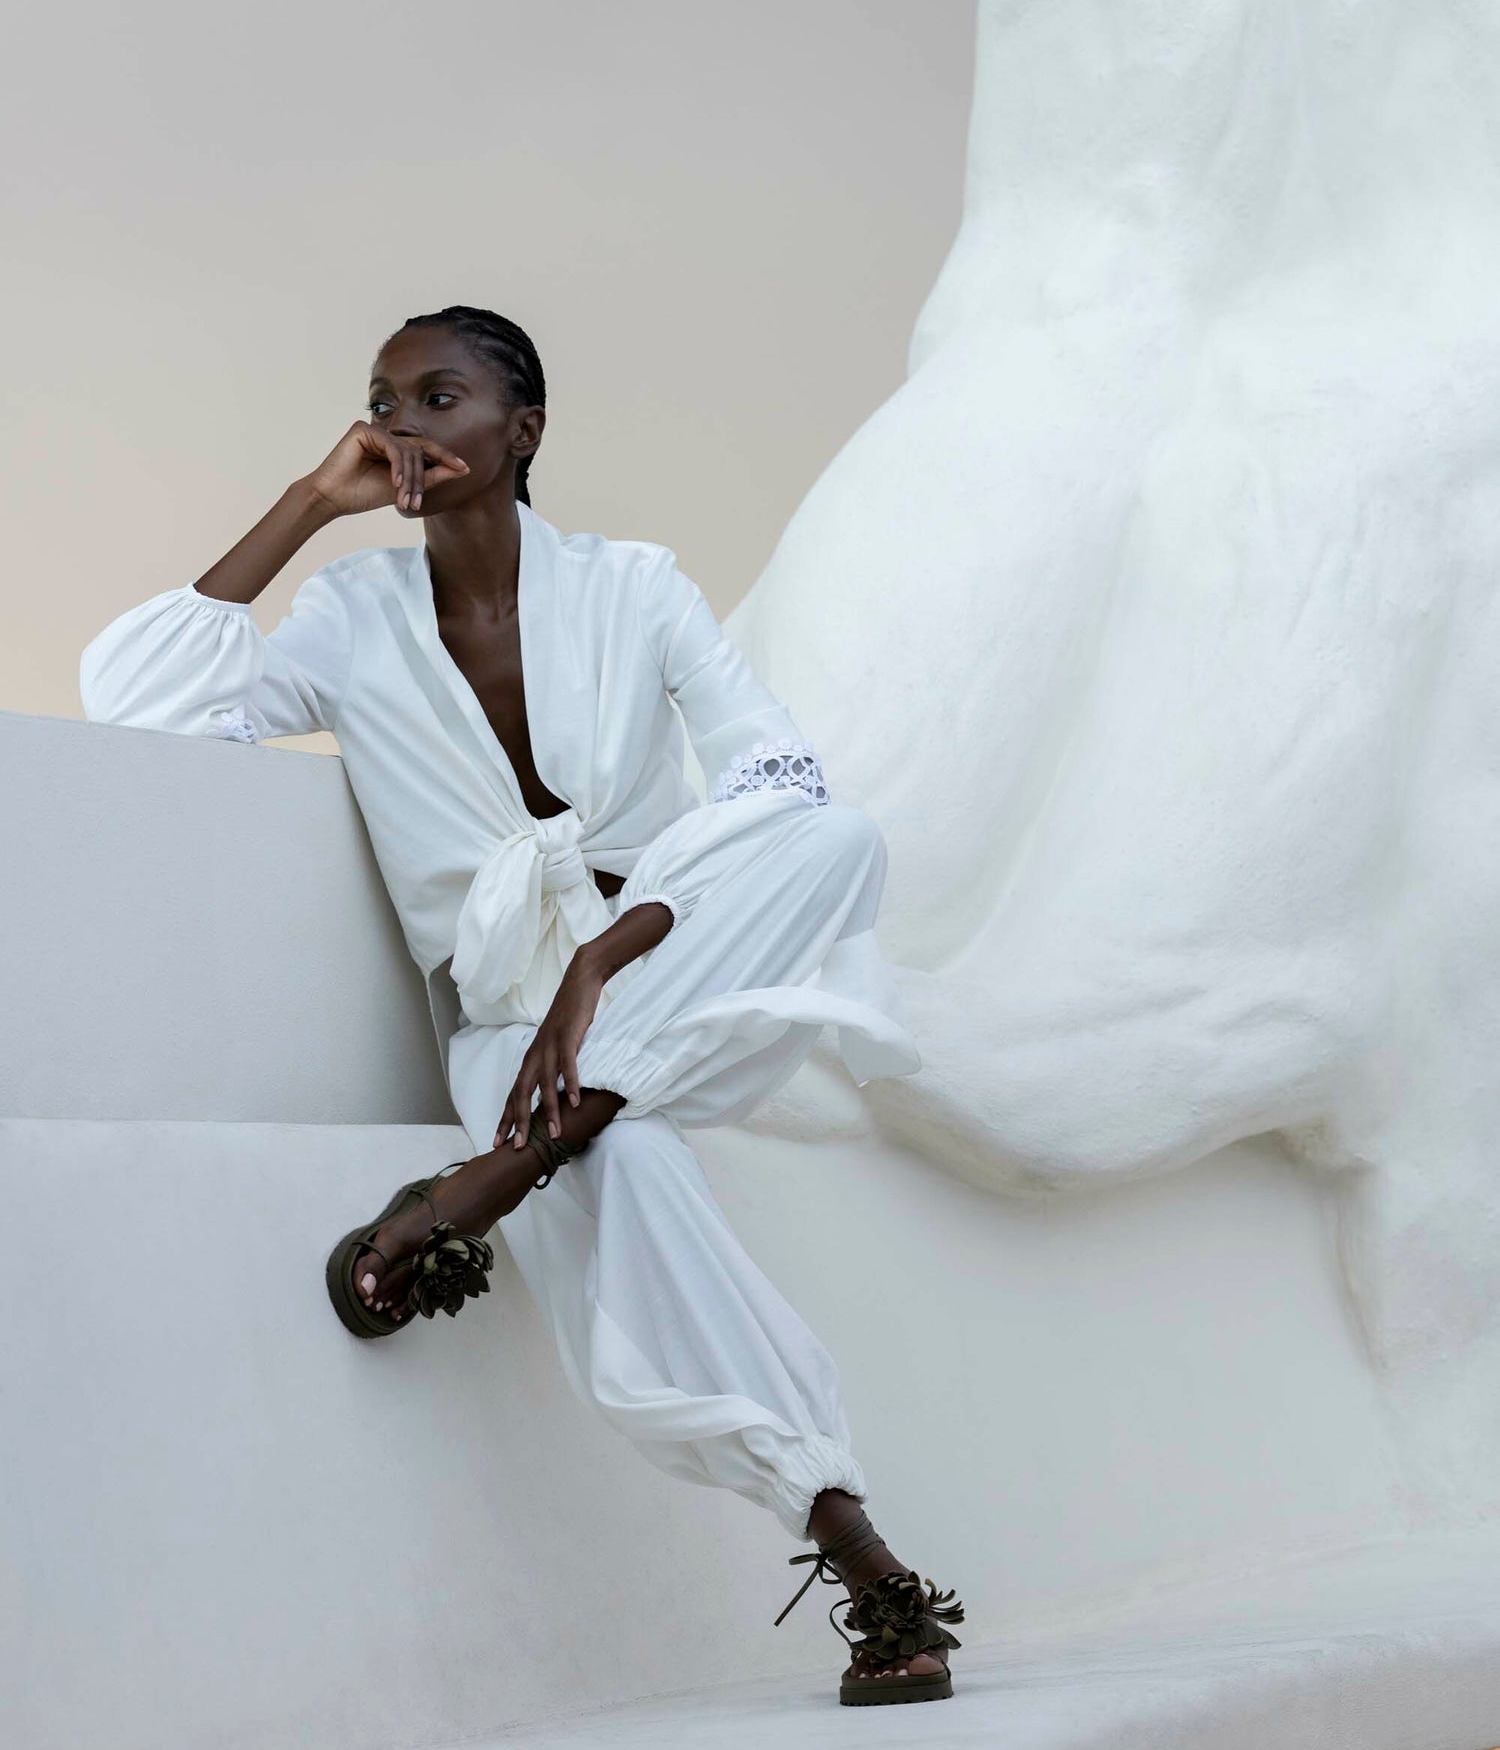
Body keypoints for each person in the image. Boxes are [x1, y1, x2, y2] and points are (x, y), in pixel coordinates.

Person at [78, 303, 965, 1708]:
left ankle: (487, 1181)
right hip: (513, 1033)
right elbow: (135, 700)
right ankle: (865, 1562)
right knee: (643, 1173)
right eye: (383, 401)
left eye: (438, 396)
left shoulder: (636, 587)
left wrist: (606, 956)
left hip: (659, 990)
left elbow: (779, 782)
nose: (403, 425)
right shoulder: (352, 616)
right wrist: (310, 503)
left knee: (840, 842)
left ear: (523, 430)